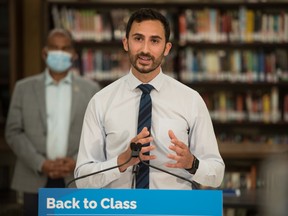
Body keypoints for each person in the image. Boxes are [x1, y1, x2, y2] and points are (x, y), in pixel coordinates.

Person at [75, 8, 225, 189]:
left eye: (154, 41)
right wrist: (120, 162)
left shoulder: (191, 100)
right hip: (119, 209)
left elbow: (216, 175)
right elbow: (82, 179)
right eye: (138, 39)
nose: (145, 49)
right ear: (126, 43)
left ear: (166, 48)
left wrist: (192, 163)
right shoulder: (100, 102)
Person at [5, 28, 100, 216]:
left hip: (75, 176)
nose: (60, 53)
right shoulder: (23, 88)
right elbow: (13, 132)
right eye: (55, 48)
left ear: (73, 54)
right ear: (44, 52)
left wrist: (75, 161)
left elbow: (97, 135)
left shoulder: (91, 89)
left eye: (65, 48)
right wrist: (40, 163)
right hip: (33, 176)